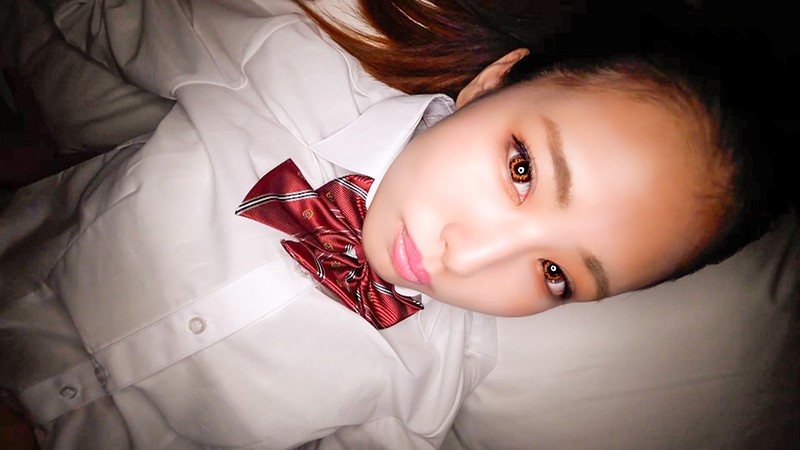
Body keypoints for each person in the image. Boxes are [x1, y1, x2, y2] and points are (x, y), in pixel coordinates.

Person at [0, 0, 788, 448]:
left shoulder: (430, 390)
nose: (467, 257)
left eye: (557, 275)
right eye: (521, 168)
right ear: (494, 84)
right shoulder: (288, 70)